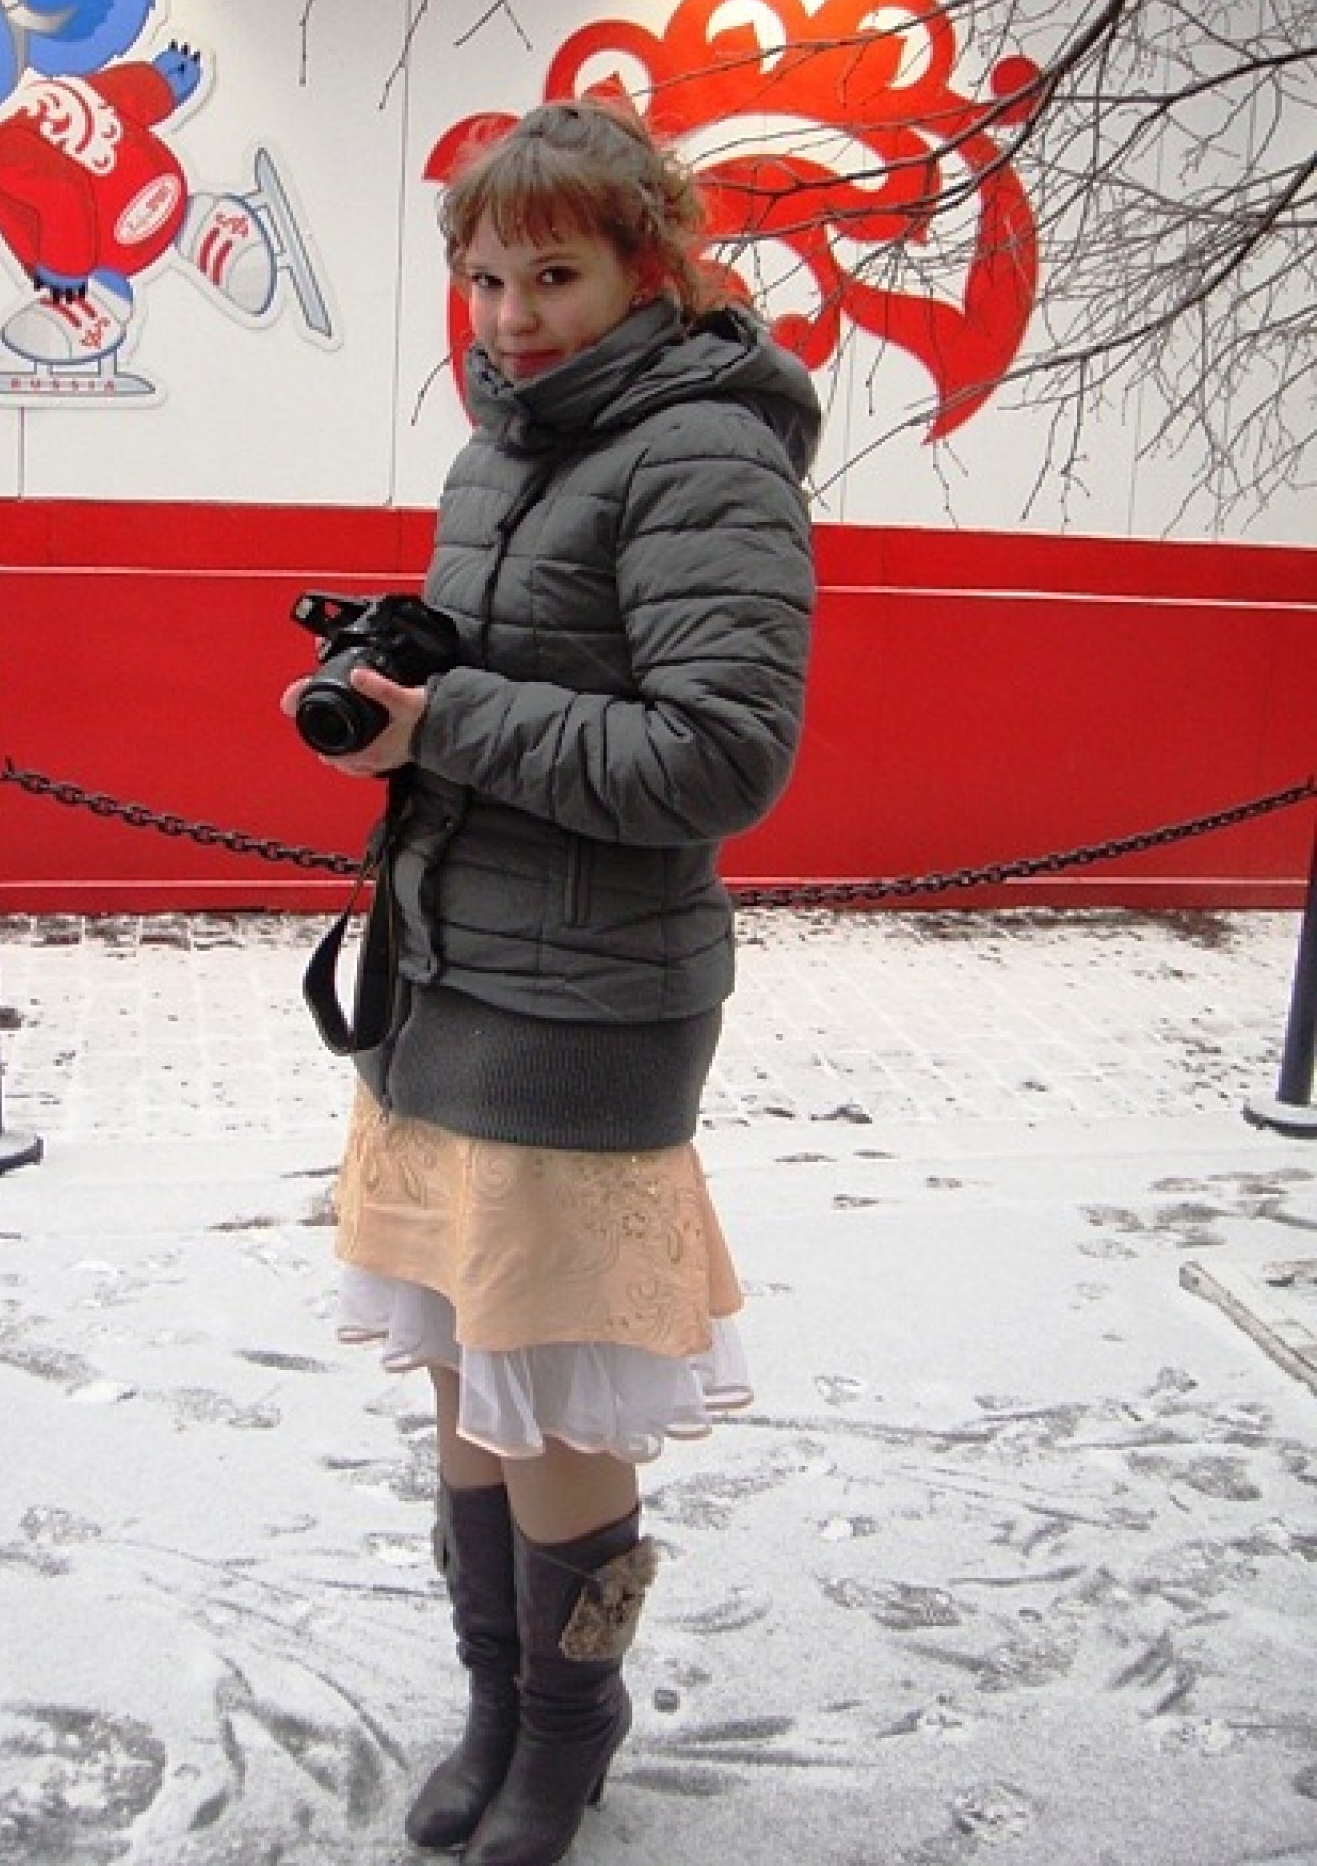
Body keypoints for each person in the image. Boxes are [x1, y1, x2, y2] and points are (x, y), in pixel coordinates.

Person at [283, 98, 818, 1866]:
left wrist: (450, 721)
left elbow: (719, 757)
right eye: (486, 281)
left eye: (555, 277)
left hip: (586, 1000)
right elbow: (523, 693)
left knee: (555, 1401)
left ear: (648, 269)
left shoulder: (707, 454)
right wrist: (396, 697)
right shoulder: (500, 449)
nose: (510, 319)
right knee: (462, 1368)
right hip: (443, 974)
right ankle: (498, 1704)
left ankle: (573, 1729)